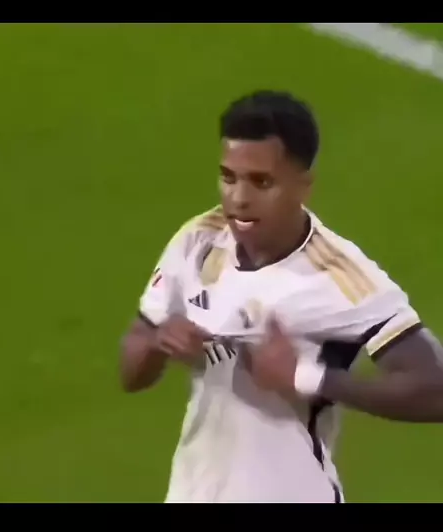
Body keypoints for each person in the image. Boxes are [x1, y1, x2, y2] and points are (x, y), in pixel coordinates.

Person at [120, 90, 443, 503]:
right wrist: (158, 341)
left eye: (261, 182)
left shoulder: (339, 276)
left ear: (303, 186)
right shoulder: (198, 239)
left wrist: (304, 377)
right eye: (228, 177)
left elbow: (435, 390)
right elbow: (131, 372)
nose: (239, 198)